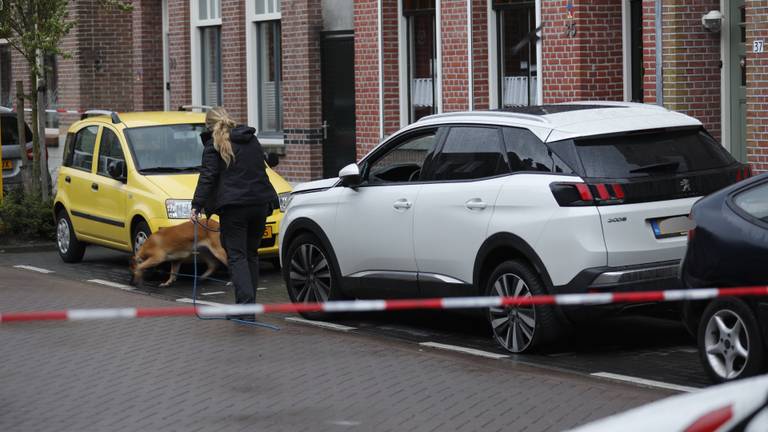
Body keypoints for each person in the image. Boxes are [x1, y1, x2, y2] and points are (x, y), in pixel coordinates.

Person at [191, 107, 277, 320]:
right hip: (259, 204)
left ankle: (245, 311)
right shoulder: (251, 139)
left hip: (235, 207)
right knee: (251, 254)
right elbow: (261, 168)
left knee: (237, 256)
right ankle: (246, 307)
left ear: (208, 126)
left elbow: (208, 177)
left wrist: (197, 205)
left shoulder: (214, 145)